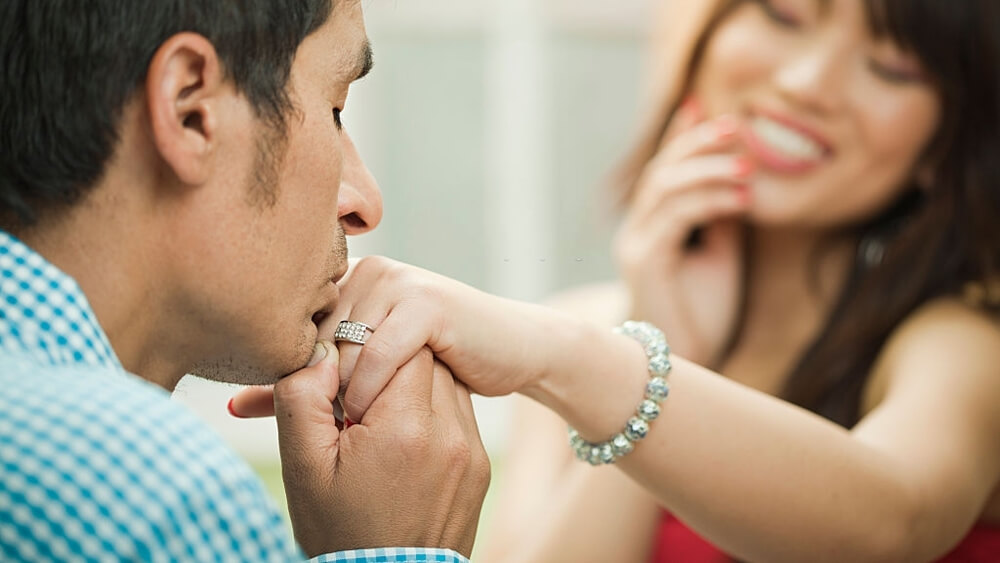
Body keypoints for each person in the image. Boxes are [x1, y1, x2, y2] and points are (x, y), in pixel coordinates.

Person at [229, 0, 1000, 561]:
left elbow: (895, 521)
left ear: (950, 134)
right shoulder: (595, 327)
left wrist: (560, 356)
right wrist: (664, 342)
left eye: (891, 65)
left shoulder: (961, 340)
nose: (807, 82)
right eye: (786, 15)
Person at [0, 0, 489, 561]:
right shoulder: (149, 497)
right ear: (192, 111)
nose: (365, 205)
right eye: (334, 108)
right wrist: (394, 552)